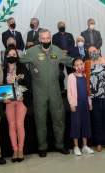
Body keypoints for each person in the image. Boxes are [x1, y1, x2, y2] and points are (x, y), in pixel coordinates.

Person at [20, 29, 72, 157]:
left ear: (50, 38)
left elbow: (70, 61)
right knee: (40, 119)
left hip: (55, 88)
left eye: (47, 38)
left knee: (58, 117)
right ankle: (42, 147)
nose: (46, 40)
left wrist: (85, 64)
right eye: (43, 38)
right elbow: (19, 60)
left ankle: (60, 145)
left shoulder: (56, 50)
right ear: (39, 39)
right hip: (39, 89)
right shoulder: (32, 52)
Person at [3, 47, 31, 162]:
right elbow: (0, 86)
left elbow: (29, 84)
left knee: (20, 125)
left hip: (20, 101)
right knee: (12, 126)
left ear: (17, 56)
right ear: (6, 56)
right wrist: (3, 98)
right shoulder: (2, 69)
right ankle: (14, 149)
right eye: (9, 54)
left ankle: (21, 149)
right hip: (9, 102)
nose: (11, 56)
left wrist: (24, 96)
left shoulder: (22, 68)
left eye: (14, 54)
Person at [67, 57, 93, 156]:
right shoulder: (71, 76)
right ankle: (76, 146)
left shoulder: (86, 76)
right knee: (76, 124)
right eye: (77, 65)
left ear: (84, 65)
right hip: (76, 104)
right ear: (74, 67)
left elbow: (88, 91)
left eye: (81, 64)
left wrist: (90, 102)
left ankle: (85, 146)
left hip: (85, 103)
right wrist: (72, 104)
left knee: (86, 123)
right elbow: (69, 92)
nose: (79, 66)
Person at [52, 21, 75, 92]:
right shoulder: (55, 36)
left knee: (71, 73)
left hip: (69, 56)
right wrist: (61, 51)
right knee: (60, 74)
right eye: (60, 26)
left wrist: (67, 50)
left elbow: (72, 44)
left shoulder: (70, 35)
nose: (62, 27)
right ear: (58, 27)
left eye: (63, 25)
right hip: (59, 57)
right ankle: (61, 89)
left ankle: (72, 88)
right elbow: (54, 46)